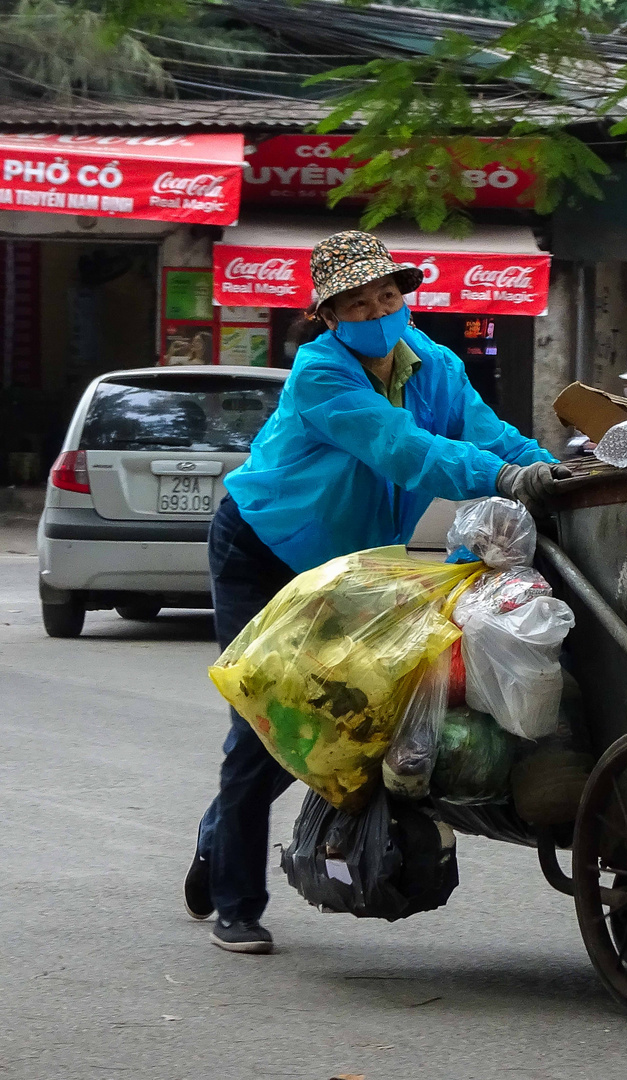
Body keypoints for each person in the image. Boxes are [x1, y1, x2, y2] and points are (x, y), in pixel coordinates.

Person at [186, 230, 570, 954]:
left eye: (387, 296)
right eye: (356, 304)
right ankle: (236, 897)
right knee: (267, 720)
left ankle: (216, 837)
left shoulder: (440, 365)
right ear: (328, 317)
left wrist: (554, 472)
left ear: (406, 297)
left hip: (360, 561)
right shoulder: (319, 375)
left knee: (343, 716)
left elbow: (492, 436)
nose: (376, 311)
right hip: (264, 549)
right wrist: (497, 479)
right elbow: (403, 449)